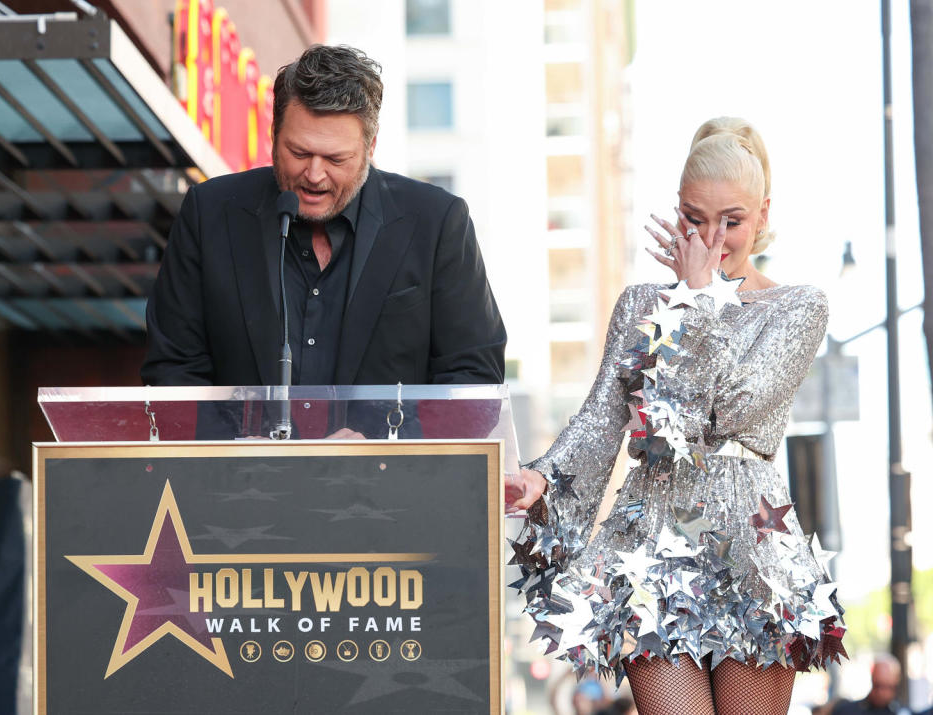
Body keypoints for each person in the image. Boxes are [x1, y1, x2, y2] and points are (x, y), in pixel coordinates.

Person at [506, 117, 844, 715]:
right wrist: (543, 479)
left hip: (755, 553)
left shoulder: (799, 306)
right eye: (694, 218)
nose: (712, 239)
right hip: (650, 547)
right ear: (676, 211)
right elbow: (601, 423)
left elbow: (728, 409)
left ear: (763, 214)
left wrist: (699, 300)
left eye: (731, 221)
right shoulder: (640, 303)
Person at [142, 44, 506, 388]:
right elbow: (172, 369)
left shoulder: (438, 221)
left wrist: (383, 438)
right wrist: (242, 440)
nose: (314, 175)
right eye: (299, 153)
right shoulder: (209, 213)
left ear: (370, 148)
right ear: (274, 135)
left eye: (335, 159)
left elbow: (474, 375)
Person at [832, 654, 910, 715]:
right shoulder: (847, 711)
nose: (881, 693)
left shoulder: (903, 712)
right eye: (877, 686)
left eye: (887, 687)